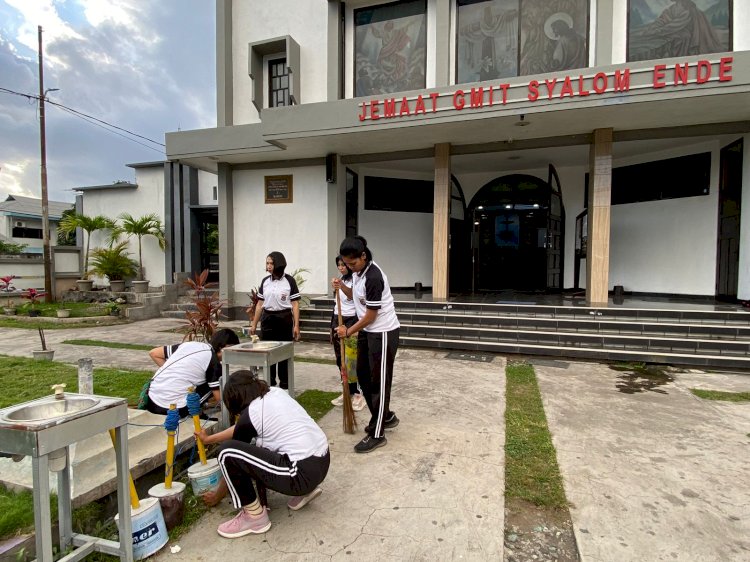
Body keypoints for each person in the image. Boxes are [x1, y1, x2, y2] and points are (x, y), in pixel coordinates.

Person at [195, 370, 330, 538]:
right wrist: (208, 439)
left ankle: (254, 517)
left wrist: (217, 495)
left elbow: (233, 458)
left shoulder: (251, 415)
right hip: (322, 462)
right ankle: (305, 491)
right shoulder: (275, 392)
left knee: (225, 452)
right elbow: (241, 428)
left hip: (301, 473)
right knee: (260, 448)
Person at [333, 236, 400, 453]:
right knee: (362, 375)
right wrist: (342, 286)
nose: (349, 267)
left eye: (352, 263)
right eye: (346, 264)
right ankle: (386, 416)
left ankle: (377, 433)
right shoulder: (358, 273)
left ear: (363, 256)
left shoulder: (373, 276)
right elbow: (355, 297)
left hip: (383, 332)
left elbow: (371, 315)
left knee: (378, 383)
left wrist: (348, 331)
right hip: (368, 332)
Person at [146, 328, 240, 417]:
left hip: (151, 401)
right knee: (217, 383)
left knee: (206, 381)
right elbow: (220, 399)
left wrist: (175, 372)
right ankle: (194, 412)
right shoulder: (213, 362)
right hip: (173, 410)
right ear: (224, 347)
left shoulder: (190, 345)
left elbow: (154, 353)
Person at [250, 251, 300, 390]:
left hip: (284, 318)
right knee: (268, 351)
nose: (269, 266)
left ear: (279, 263)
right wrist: (254, 324)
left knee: (283, 352)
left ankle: (285, 384)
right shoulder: (265, 281)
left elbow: (295, 304)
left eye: (271, 263)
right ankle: (269, 382)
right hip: (268, 319)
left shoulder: (289, 281)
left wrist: (296, 325)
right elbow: (260, 304)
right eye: (267, 263)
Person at [330, 255, 366, 411]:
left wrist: (341, 287)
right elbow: (336, 305)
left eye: (343, 265)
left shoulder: (355, 280)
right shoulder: (340, 279)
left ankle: (359, 393)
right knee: (340, 359)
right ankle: (347, 390)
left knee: (352, 359)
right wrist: (330, 328)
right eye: (338, 265)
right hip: (338, 320)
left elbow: (353, 296)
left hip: (352, 320)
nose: (341, 267)